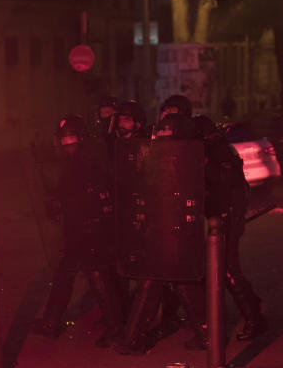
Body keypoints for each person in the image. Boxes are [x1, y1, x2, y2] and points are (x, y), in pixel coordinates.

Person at [114, 113, 207, 354]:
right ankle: (207, 333)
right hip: (162, 228)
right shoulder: (159, 158)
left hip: (173, 229)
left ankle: (133, 339)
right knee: (171, 281)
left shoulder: (185, 160)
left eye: (168, 135)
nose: (163, 140)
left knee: (162, 281)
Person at [31, 116, 124, 348]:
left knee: (98, 276)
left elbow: (91, 193)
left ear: (81, 139)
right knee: (64, 273)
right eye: (64, 140)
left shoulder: (89, 160)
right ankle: (51, 322)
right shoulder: (71, 164)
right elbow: (66, 192)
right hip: (77, 228)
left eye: (72, 138)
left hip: (92, 228)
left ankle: (115, 329)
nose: (67, 144)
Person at [194, 115, 268, 341]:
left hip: (226, 218)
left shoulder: (217, 152)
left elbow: (224, 189)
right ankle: (253, 310)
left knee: (227, 269)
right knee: (224, 269)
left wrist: (224, 216)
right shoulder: (218, 149)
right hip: (224, 217)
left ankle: (254, 319)